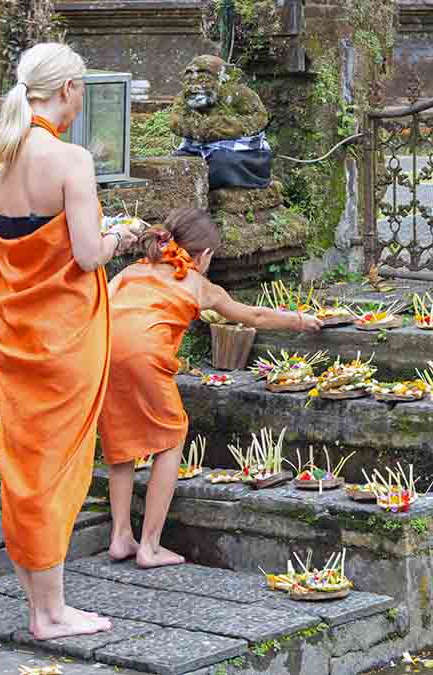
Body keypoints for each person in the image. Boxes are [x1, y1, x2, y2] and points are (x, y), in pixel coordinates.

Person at [0, 43, 138, 640]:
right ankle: (51, 613)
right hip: (65, 336)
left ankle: (39, 605)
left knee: (23, 461)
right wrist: (122, 234)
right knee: (58, 467)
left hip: (14, 332)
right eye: (82, 87)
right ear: (68, 90)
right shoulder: (70, 160)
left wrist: (25, 241)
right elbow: (89, 253)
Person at [100, 208, 322, 568]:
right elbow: (255, 316)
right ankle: (150, 546)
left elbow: (101, 304)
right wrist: (299, 320)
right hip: (145, 356)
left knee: (121, 445)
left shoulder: (130, 271)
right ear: (203, 256)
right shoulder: (199, 285)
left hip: (105, 352)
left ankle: (120, 536)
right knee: (171, 437)